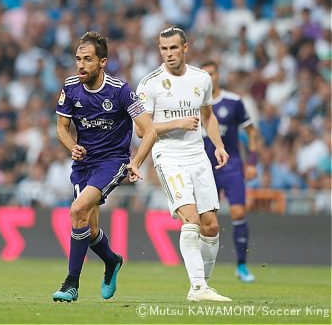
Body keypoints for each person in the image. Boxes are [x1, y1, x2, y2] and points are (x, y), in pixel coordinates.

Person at [53, 31, 157, 302]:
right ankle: (112, 261)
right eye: (78, 59)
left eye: (87, 59)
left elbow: (150, 130)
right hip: (83, 165)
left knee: (77, 210)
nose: (81, 65)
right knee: (88, 229)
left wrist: (135, 162)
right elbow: (62, 129)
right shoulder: (70, 87)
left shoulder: (120, 90)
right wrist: (71, 145)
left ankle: (70, 284)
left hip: (112, 162)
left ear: (102, 62)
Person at [136, 26, 231, 302]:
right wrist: (178, 122)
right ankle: (198, 288)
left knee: (210, 225)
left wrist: (219, 146)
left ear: (185, 48)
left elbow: (208, 116)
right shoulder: (150, 83)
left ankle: (203, 286)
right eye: (163, 49)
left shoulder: (202, 79)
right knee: (190, 220)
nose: (168, 54)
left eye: (173, 48)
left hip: (198, 155)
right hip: (169, 157)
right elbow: (142, 131)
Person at [201, 60, 259, 283]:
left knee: (238, 213)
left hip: (232, 166)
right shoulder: (193, 103)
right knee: (206, 220)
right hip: (204, 168)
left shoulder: (233, 102)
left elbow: (252, 132)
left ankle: (242, 266)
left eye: (212, 74)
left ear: (218, 76)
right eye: (205, 74)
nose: (209, 78)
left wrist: (252, 162)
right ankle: (202, 273)